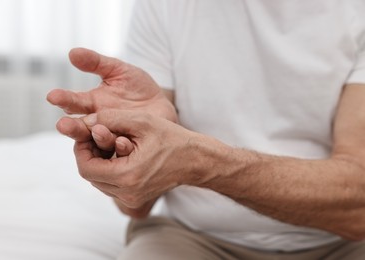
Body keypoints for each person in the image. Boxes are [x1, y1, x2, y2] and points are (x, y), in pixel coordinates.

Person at [47, 0, 365, 259]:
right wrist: (130, 143)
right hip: (191, 238)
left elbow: (358, 205)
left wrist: (200, 161)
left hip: (343, 242)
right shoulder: (165, 7)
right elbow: (134, 205)